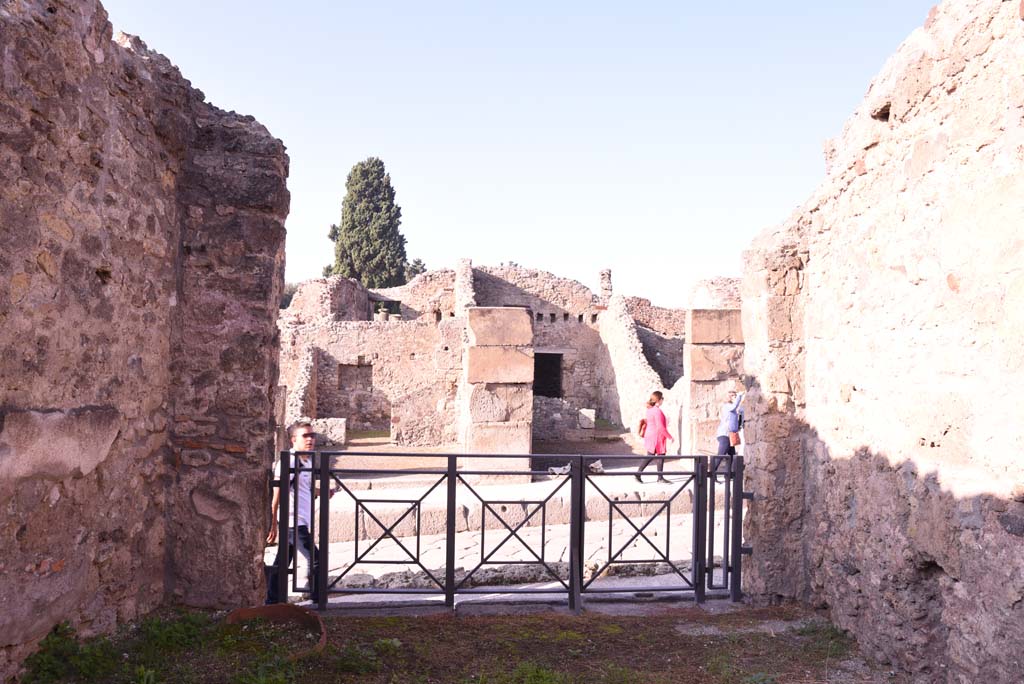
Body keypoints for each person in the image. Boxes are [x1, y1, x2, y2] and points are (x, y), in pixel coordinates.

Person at [265, 421, 323, 604]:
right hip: (292, 520)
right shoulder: (289, 460)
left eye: (312, 436)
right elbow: (278, 493)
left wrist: (322, 492)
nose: (310, 440)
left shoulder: (308, 459)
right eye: (305, 436)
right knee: (316, 559)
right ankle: (318, 598)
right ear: (293, 440)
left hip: (301, 519)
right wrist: (273, 522)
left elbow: (303, 488)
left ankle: (272, 601)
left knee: (282, 562)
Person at [635, 391, 674, 483]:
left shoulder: (650, 409)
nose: (663, 400)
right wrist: (670, 437)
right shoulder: (657, 411)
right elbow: (660, 427)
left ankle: (640, 474)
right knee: (658, 455)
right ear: (659, 400)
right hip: (656, 436)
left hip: (651, 435)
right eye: (662, 398)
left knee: (653, 455)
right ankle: (658, 478)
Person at [715, 390, 745, 457]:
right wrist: (739, 396)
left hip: (730, 435)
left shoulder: (732, 408)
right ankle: (712, 468)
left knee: (732, 457)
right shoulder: (726, 406)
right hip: (725, 435)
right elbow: (734, 407)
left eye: (735, 395)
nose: (734, 397)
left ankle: (730, 468)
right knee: (720, 455)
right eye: (732, 395)